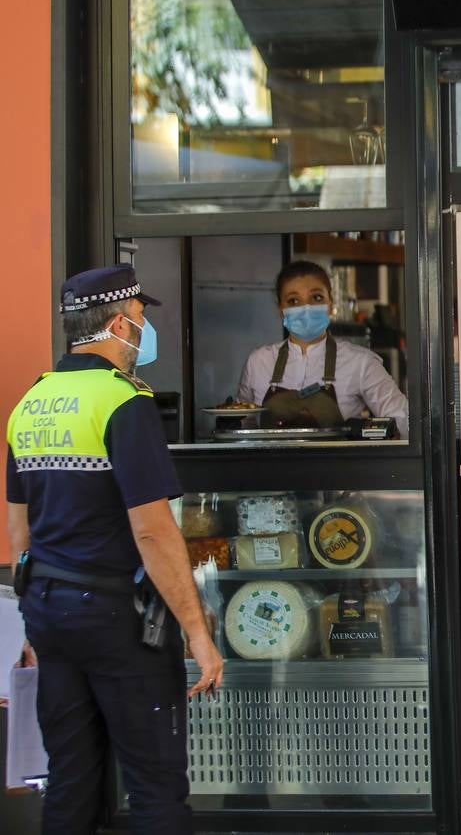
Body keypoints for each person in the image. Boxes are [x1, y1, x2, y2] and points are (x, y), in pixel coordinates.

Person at [6, 263, 224, 834]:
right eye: (142, 317)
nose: (144, 329)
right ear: (120, 323)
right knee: (156, 787)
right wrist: (198, 634)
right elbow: (153, 532)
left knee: (71, 778)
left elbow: (19, 532)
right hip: (116, 618)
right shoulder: (123, 402)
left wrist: (32, 627)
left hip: (50, 611)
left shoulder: (32, 401)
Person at [235, 260, 409, 436]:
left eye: (316, 297)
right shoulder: (258, 362)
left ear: (331, 303)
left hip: (339, 464)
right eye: (293, 301)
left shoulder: (361, 362)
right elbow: (241, 428)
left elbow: (402, 419)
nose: (306, 308)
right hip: (272, 465)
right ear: (281, 310)